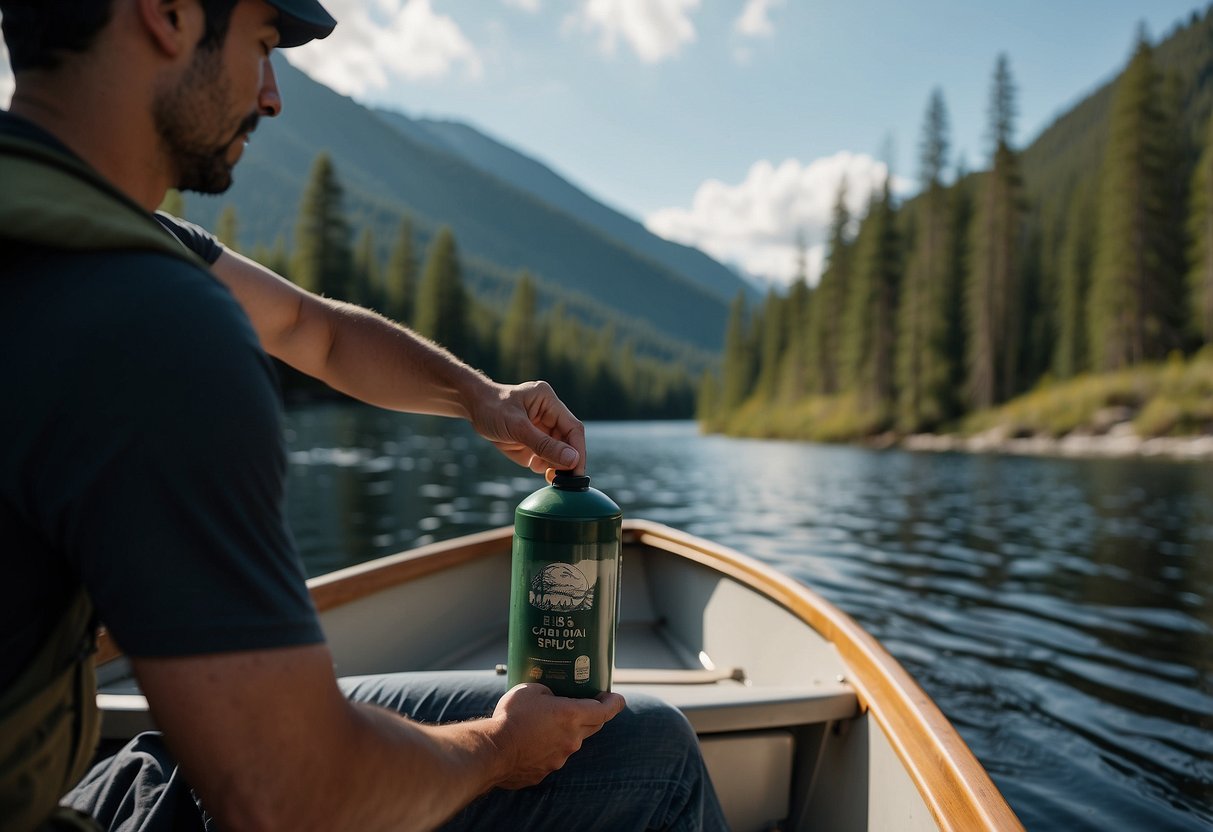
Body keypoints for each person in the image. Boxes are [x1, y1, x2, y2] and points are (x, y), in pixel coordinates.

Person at [0, 1, 727, 830]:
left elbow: (316, 330)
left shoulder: (69, 227)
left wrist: (478, 398)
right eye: (261, 46)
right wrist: (497, 749)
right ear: (166, 14)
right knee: (647, 754)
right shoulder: (152, 315)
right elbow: (295, 797)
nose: (271, 96)